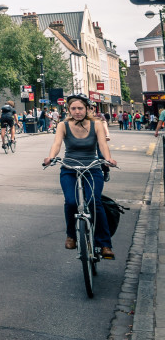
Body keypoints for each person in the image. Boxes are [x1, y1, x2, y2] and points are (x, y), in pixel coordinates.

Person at [43, 94, 115, 259]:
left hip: (92, 168)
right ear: (68, 110)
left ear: (87, 109)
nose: (77, 111)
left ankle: (104, 244)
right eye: (73, 108)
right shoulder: (63, 125)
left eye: (80, 108)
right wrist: (51, 157)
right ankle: (71, 236)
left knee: (94, 202)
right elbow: (57, 143)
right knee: (71, 202)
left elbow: (103, 145)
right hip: (69, 168)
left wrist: (108, 159)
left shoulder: (96, 124)